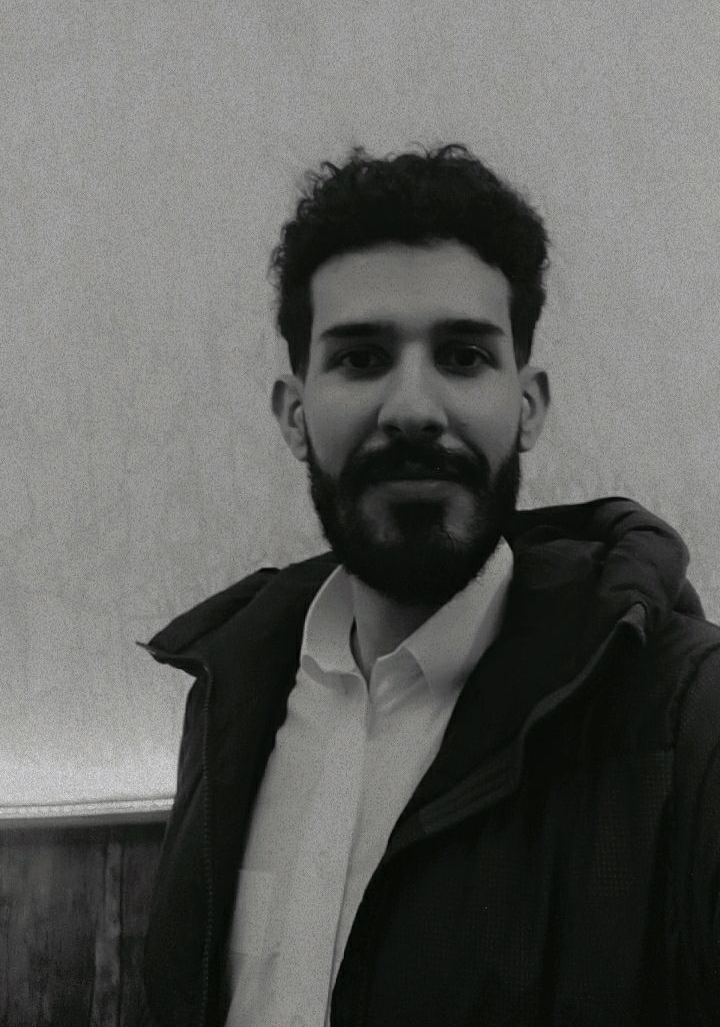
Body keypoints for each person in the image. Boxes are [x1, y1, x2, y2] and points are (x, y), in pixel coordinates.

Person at [140, 144, 720, 1027]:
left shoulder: (684, 719)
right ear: (294, 415)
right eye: (361, 358)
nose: (413, 408)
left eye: (463, 355)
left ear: (527, 407)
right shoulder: (228, 699)